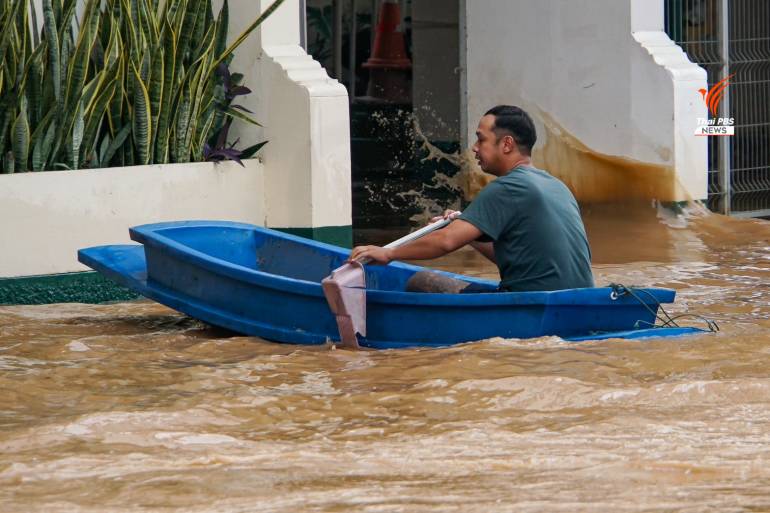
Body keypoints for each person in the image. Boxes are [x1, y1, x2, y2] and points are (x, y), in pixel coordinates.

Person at [349, 105, 594, 293]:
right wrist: (473, 236)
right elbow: (520, 260)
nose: (475, 148)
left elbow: (445, 241)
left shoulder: (507, 187)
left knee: (422, 281)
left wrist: (388, 253)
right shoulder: (556, 186)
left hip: (530, 303)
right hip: (578, 301)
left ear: (506, 144)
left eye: (481, 139)